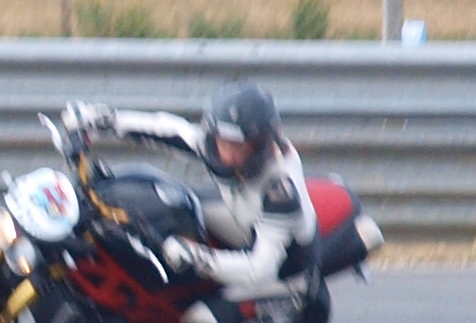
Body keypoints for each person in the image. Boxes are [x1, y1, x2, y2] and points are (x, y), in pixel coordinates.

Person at [69, 80, 315, 298]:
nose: (227, 154)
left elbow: (261, 269)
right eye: (223, 142)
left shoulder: (280, 190)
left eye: (238, 146)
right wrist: (103, 120)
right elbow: (169, 130)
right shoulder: (217, 146)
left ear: (259, 144)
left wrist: (196, 257)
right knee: (176, 207)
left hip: (283, 270)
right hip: (246, 222)